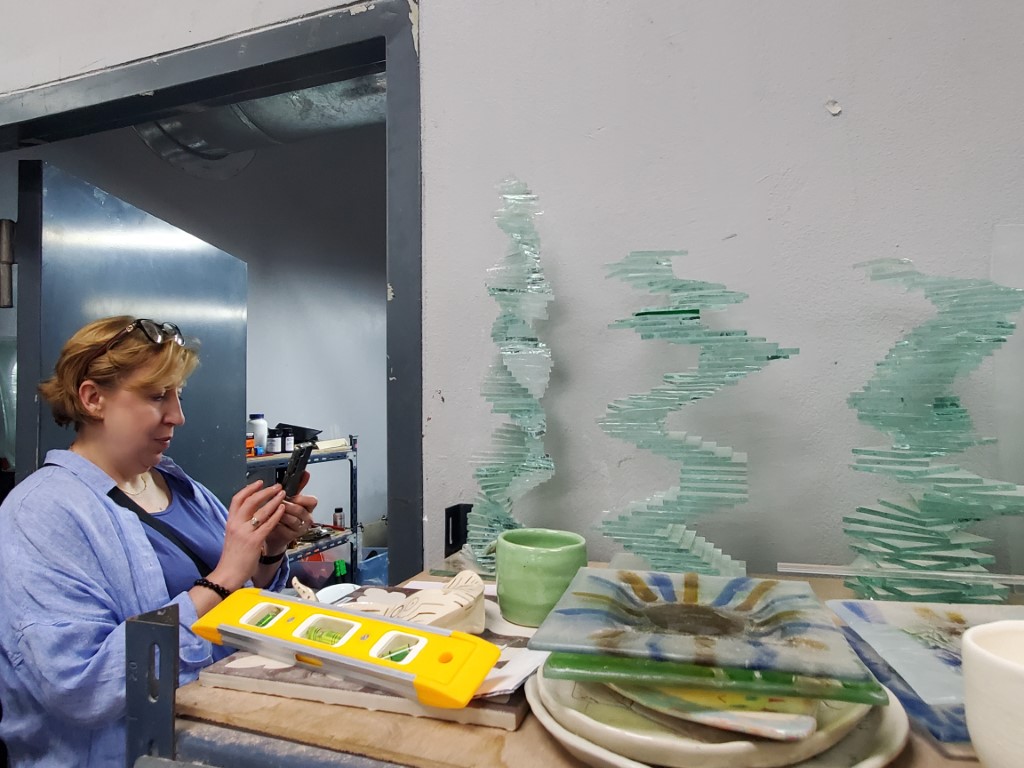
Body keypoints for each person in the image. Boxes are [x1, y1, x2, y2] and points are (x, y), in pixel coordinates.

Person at [0, 316, 316, 767]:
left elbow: (238, 602)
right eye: (155, 396)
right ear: (93, 398)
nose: (178, 416)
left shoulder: (178, 486)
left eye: (178, 395)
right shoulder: (41, 513)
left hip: (216, 733)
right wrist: (222, 578)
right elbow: (81, 687)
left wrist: (267, 554)